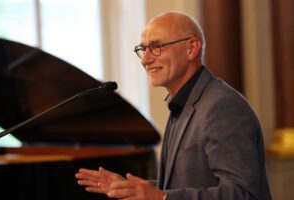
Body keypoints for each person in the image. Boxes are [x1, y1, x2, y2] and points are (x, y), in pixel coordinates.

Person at [75, 11, 272, 200]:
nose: (145, 60)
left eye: (156, 46)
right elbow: (183, 185)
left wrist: (162, 197)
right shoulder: (183, 102)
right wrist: (131, 189)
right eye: (143, 49)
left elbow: (243, 194)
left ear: (191, 49)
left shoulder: (222, 107)